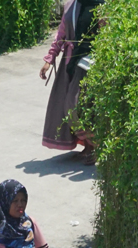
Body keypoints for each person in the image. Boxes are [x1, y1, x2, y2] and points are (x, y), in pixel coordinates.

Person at [40, 0, 105, 164]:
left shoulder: (103, 5)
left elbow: (107, 35)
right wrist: (50, 59)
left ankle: (97, 146)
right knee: (67, 104)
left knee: (74, 104)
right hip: (70, 60)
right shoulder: (71, 5)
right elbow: (61, 33)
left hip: (90, 62)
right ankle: (88, 147)